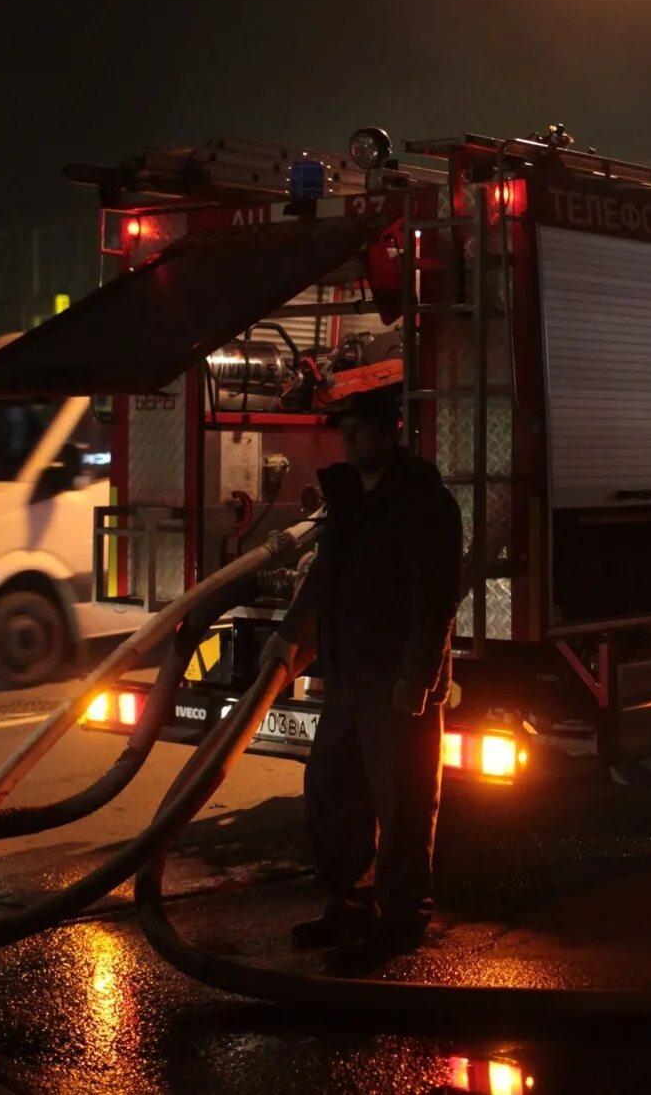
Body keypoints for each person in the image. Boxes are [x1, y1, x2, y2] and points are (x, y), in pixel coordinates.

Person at [282, 388, 462, 958]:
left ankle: (403, 920)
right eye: (346, 430)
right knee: (333, 790)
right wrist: (288, 636)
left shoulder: (423, 503)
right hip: (348, 678)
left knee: (403, 800)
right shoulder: (350, 501)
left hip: (395, 684)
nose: (350, 439)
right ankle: (350, 904)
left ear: (390, 433)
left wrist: (417, 676)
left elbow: (435, 599)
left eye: (360, 429)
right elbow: (323, 577)